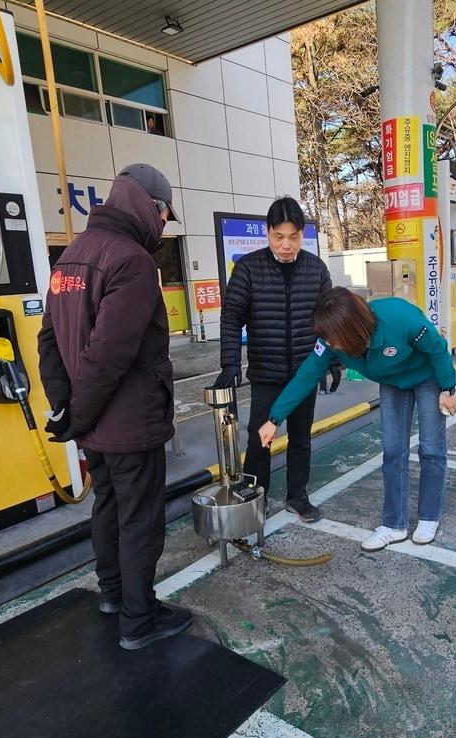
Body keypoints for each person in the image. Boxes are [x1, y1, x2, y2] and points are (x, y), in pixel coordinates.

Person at [37, 163, 192, 651]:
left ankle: (112, 597)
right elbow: (109, 353)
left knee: (106, 506)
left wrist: (66, 408)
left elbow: (48, 341)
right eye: (165, 215)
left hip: (93, 425)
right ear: (150, 205)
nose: (165, 226)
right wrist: (79, 411)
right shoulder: (132, 261)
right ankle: (139, 618)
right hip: (129, 422)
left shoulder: (70, 258)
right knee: (139, 518)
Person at [258, 288, 456, 551]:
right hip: (392, 382)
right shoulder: (332, 344)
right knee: (393, 451)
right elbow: (306, 376)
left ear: (354, 328)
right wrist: (274, 419)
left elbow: (437, 349)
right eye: (326, 338)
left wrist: (448, 389)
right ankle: (394, 525)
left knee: (431, 449)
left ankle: (428, 517)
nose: (329, 344)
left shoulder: (400, 318)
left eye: (333, 338)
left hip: (428, 377)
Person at [217, 198, 332, 522]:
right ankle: (257, 495)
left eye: (293, 237)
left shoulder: (315, 269)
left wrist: (332, 363)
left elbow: (330, 318)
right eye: (279, 236)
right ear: (267, 233)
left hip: (304, 373)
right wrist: (230, 363)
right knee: (259, 438)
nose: (286, 245)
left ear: (302, 234)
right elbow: (231, 318)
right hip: (266, 373)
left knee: (300, 438)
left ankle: (298, 496)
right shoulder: (249, 269)